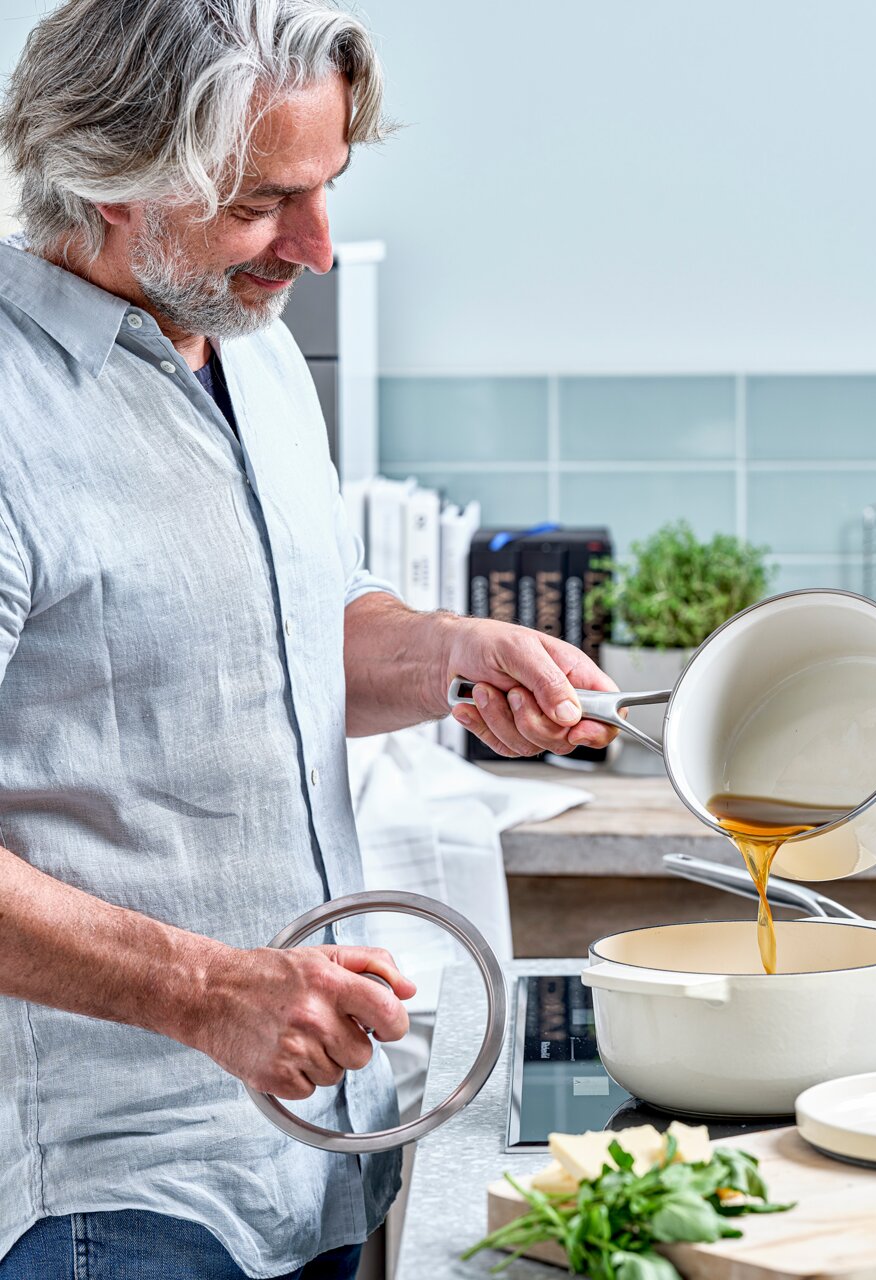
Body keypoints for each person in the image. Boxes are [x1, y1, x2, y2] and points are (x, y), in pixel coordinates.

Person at [0, 1, 617, 1276]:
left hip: (317, 1152)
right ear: (116, 178)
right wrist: (206, 991)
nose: (319, 248)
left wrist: (451, 652)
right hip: (106, 1192)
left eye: (328, 187)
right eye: (263, 201)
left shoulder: (247, 347)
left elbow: (287, 631)